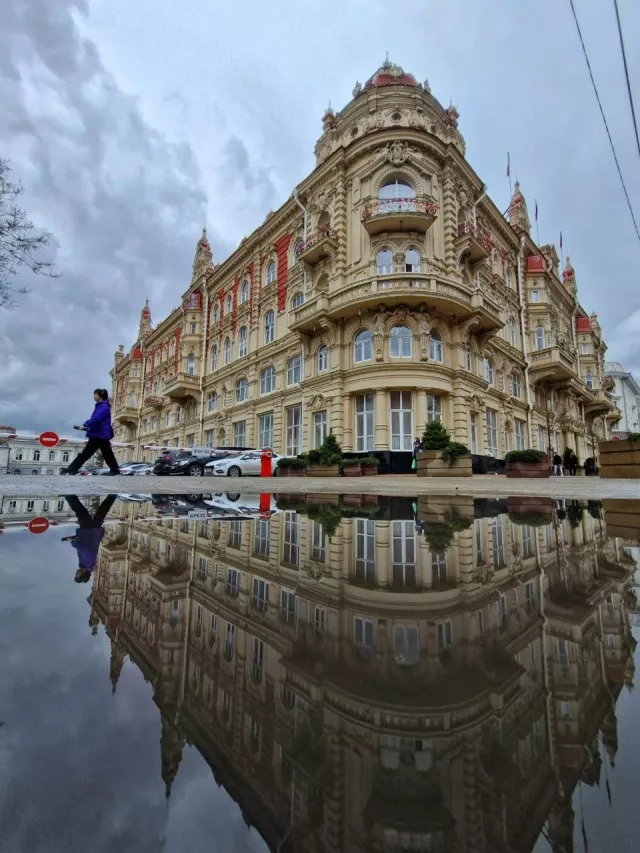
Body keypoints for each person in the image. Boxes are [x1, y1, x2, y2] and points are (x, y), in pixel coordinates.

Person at [61, 388, 120, 475]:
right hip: (98, 434)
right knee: (91, 453)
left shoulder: (103, 406)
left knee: (98, 453)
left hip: (100, 434)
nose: (94, 396)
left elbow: (96, 418)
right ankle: (72, 469)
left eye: (95, 394)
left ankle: (72, 469)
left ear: (100, 395)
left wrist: (85, 424)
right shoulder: (101, 405)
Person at [61, 494, 118, 582]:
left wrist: (70, 538)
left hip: (92, 532)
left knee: (101, 511)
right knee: (81, 511)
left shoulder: (86, 564)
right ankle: (70, 496)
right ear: (82, 574)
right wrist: (72, 541)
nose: (76, 573)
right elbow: (84, 549)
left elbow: (83, 543)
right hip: (90, 531)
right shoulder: (87, 563)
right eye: (77, 575)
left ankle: (113, 495)